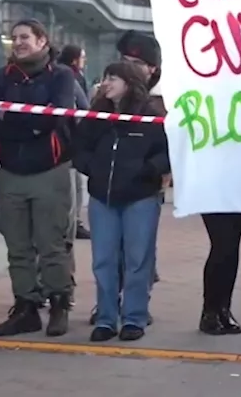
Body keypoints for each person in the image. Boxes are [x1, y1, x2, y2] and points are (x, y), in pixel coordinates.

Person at [0, 20, 78, 337]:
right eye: (14, 39)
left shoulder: (61, 75)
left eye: (24, 37)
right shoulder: (1, 78)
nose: (18, 43)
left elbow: (59, 115)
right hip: (11, 172)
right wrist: (33, 120)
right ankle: (25, 306)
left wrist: (17, 121)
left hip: (49, 170)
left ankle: (59, 304)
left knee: (52, 243)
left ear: (42, 41)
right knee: (17, 246)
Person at [72, 62, 167, 343]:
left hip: (140, 198)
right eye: (105, 77)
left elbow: (167, 150)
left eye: (112, 77)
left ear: (128, 81)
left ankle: (134, 318)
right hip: (103, 198)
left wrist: (148, 170)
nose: (106, 83)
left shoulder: (150, 113)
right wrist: (93, 168)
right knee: (104, 260)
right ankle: (105, 318)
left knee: (138, 260)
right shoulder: (97, 115)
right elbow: (78, 146)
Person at [58, 44, 90, 241]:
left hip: (62, 140)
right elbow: (83, 106)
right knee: (73, 187)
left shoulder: (58, 74)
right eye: (82, 57)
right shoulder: (71, 77)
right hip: (70, 139)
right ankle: (73, 224)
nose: (84, 61)